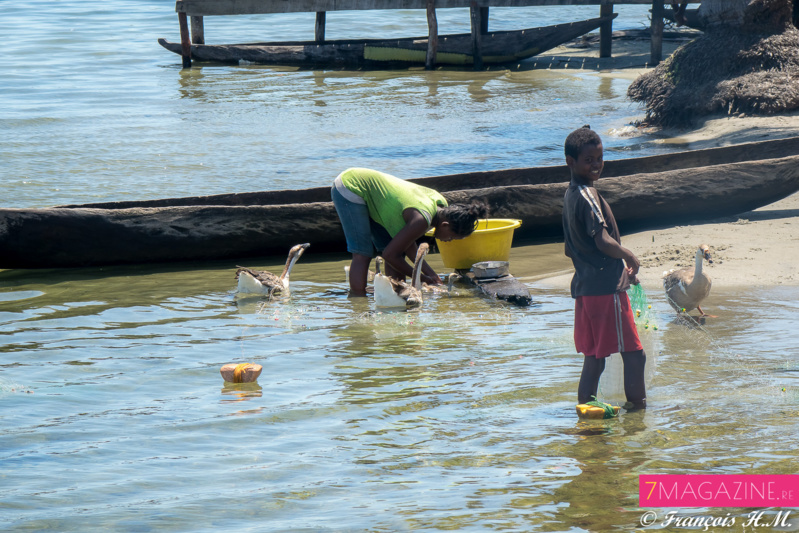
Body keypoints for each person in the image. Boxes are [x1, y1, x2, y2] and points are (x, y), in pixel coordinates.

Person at [561, 126, 647, 410]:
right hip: (605, 289)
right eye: (589, 160)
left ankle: (586, 413)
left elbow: (570, 248)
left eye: (599, 157)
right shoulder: (587, 195)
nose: (596, 164)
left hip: (586, 289)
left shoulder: (571, 194)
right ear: (570, 162)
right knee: (635, 356)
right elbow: (602, 240)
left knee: (595, 358)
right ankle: (638, 412)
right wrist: (629, 257)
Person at [332, 167, 488, 296]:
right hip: (351, 186)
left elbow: (407, 246)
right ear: (445, 225)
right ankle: (357, 299)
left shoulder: (441, 205)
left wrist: (431, 275)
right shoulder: (421, 219)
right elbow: (389, 255)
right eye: (452, 237)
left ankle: (394, 294)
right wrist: (422, 278)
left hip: (377, 201)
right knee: (362, 253)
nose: (448, 241)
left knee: (394, 251)